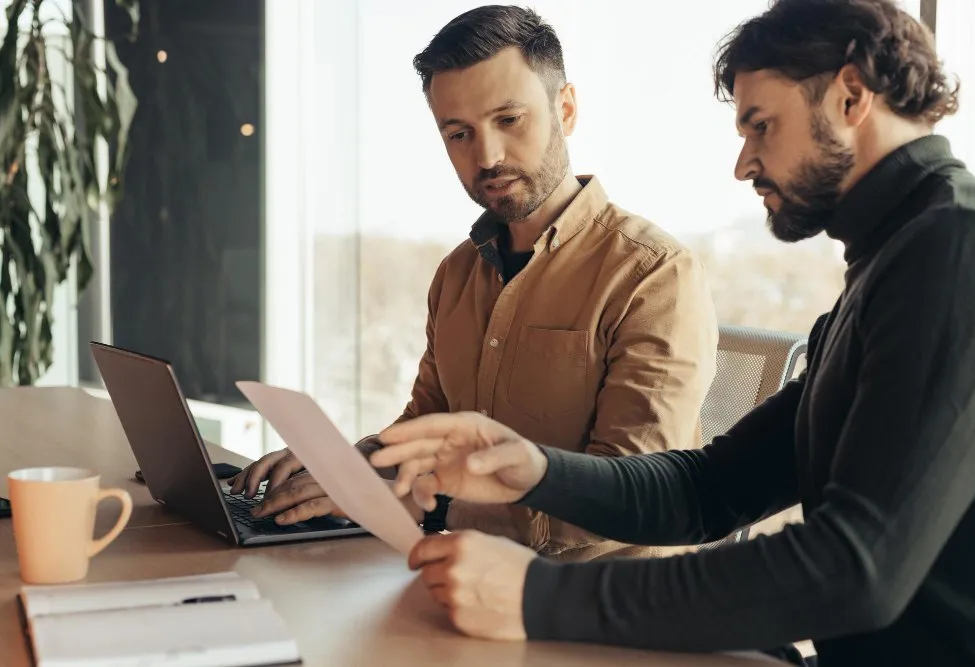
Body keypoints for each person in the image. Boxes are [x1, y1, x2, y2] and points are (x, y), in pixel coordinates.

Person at [366, 1, 975, 665]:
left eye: (761, 126)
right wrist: (534, 469)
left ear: (849, 96)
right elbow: (710, 489)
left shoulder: (959, 248)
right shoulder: (896, 260)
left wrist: (537, 594)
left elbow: (856, 569)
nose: (744, 162)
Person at [228, 5, 718, 563]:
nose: (486, 156)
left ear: (567, 108)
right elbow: (426, 421)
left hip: (596, 610)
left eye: (509, 120)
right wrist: (346, 464)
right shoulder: (459, 272)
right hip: (458, 581)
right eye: (459, 133)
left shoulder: (653, 275)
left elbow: (632, 499)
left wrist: (428, 503)